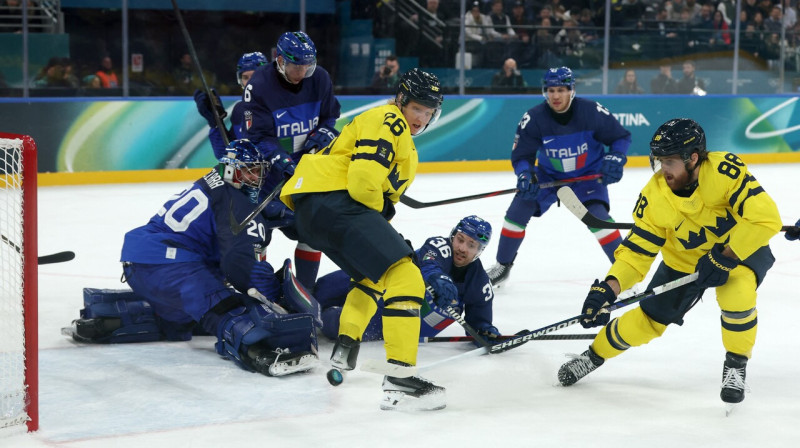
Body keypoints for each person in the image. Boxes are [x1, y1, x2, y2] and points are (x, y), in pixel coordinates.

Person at [558, 119, 781, 410]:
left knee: (737, 296)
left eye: (670, 161)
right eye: (660, 161)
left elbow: (765, 217)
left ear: (693, 158)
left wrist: (725, 256)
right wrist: (609, 288)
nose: (663, 169)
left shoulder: (723, 171)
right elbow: (636, 252)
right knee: (646, 322)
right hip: (683, 261)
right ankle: (593, 355)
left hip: (737, 250)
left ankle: (736, 364)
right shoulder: (654, 197)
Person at [64, 139, 319, 377]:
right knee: (224, 308)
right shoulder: (234, 200)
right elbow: (237, 262)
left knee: (184, 317)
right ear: (231, 171)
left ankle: (106, 321)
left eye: (257, 171)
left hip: (143, 260)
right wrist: (268, 294)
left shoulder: (216, 182)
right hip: (170, 264)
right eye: (249, 172)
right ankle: (262, 353)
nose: (255, 178)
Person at [279, 68, 445, 411]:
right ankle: (401, 379)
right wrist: (383, 209)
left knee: (373, 276)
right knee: (406, 276)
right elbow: (362, 183)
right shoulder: (390, 119)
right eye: (417, 108)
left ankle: (346, 346)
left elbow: (376, 203)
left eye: (429, 112)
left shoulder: (406, 147)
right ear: (401, 100)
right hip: (335, 199)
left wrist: (384, 217)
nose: (421, 118)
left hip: (316, 211)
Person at [486, 67, 631, 287]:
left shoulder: (592, 111)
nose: (555, 96)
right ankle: (502, 266)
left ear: (572, 90)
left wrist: (617, 157)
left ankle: (624, 273)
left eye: (561, 90)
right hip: (548, 178)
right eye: (551, 90)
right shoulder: (534, 118)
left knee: (600, 221)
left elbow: (620, 137)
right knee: (516, 214)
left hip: (587, 177)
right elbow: (522, 156)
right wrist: (525, 174)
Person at [241, 31, 342, 291]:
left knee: (312, 232)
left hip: (306, 175)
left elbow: (330, 117)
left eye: (308, 65)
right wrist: (279, 159)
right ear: (280, 60)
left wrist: (324, 132)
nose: (303, 72)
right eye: (297, 66)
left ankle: (305, 291)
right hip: (265, 178)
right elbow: (258, 136)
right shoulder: (259, 86)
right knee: (258, 237)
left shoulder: (319, 78)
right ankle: (259, 290)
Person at [315, 215, 499, 344]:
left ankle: (315, 320)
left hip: (394, 318)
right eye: (460, 239)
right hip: (381, 280)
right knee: (322, 290)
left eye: (471, 245)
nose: (462, 248)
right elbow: (430, 265)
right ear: (452, 236)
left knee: (334, 323)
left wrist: (484, 331)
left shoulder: (480, 284)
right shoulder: (439, 245)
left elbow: (479, 322)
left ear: (479, 251)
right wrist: (438, 279)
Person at [194, 51, 269, 160]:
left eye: (255, 76)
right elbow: (226, 155)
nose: (250, 82)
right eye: (245, 77)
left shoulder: (281, 105)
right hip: (253, 170)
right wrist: (216, 124)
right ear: (240, 81)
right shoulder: (239, 110)